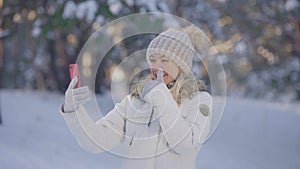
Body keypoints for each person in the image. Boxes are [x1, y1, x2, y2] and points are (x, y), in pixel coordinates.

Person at [60, 25, 212, 169]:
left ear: (182, 65)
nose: (157, 65)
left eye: (165, 60)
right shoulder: (135, 102)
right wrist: (73, 111)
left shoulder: (199, 101)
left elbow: (185, 145)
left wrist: (161, 97)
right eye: (152, 60)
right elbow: (95, 141)